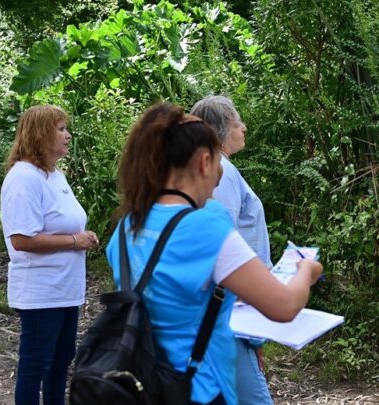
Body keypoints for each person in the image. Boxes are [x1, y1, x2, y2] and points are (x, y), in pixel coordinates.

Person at [106, 102, 322, 405]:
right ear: (204, 161)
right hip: (198, 389)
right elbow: (284, 306)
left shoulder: (128, 225)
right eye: (218, 162)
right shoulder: (206, 226)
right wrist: (306, 271)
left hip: (143, 384)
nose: (221, 175)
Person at [0, 105, 100, 405]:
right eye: (60, 129)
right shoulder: (23, 178)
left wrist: (83, 236)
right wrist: (74, 240)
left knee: (60, 363)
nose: (67, 135)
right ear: (39, 134)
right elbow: (21, 239)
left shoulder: (54, 175)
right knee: (36, 366)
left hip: (66, 290)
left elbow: (63, 221)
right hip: (41, 292)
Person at [190, 96, 274, 405]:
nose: (244, 127)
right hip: (232, 304)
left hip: (236, 301)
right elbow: (222, 244)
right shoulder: (219, 173)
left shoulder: (221, 168)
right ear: (221, 129)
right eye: (238, 121)